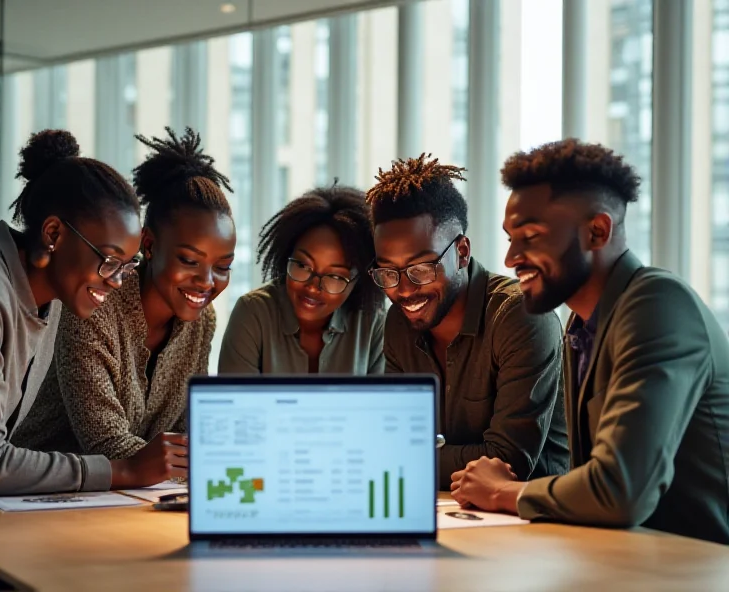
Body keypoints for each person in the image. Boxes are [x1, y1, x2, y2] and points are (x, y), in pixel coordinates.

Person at [452, 139, 729, 545]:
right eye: (510, 237)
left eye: (530, 236)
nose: (511, 257)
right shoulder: (580, 328)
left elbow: (620, 491)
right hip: (631, 561)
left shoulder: (658, 304)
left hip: (698, 568)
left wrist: (502, 492)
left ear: (597, 231)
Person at [0, 130, 187, 496]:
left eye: (128, 267)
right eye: (110, 261)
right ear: (53, 234)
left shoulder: (51, 299)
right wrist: (122, 471)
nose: (116, 282)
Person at [13, 128, 235, 460]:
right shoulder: (94, 302)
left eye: (223, 266)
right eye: (189, 260)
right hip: (41, 488)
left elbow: (190, 434)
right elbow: (106, 444)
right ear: (148, 244)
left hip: (132, 497)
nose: (206, 282)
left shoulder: (202, 320)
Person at [367, 154, 568, 489]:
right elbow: (395, 442)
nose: (403, 290)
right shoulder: (399, 323)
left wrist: (405, 458)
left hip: (531, 523)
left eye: (420, 269)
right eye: (388, 272)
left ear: (461, 252)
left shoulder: (521, 315)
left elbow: (507, 462)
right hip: (451, 510)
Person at [218, 184, 385, 374]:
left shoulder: (374, 324)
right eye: (303, 266)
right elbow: (238, 402)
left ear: (359, 280)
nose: (313, 287)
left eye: (335, 276)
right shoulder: (253, 313)